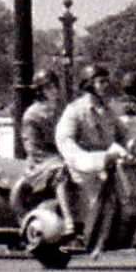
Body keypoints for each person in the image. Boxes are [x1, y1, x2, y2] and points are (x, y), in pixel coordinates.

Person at [55, 64, 129, 249]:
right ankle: (81, 232)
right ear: (88, 85)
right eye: (101, 82)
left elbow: (124, 134)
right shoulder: (75, 111)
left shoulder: (108, 110)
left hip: (110, 163)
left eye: (106, 81)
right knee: (96, 194)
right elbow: (65, 141)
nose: (105, 85)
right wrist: (86, 160)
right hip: (85, 166)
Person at [21, 70, 75, 233]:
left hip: (64, 155)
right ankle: (68, 220)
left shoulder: (63, 110)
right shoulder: (32, 115)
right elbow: (32, 148)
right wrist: (61, 158)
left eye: (55, 86)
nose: (54, 90)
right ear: (40, 90)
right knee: (61, 172)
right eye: (48, 87)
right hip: (41, 163)